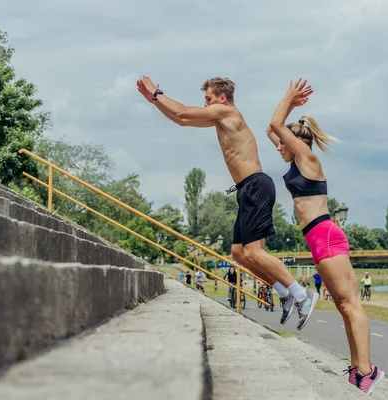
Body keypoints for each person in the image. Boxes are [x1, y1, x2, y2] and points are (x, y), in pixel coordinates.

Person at [136, 76, 317, 330]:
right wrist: (156, 102)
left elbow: (182, 110)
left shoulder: (227, 111)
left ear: (221, 98)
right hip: (247, 190)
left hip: (256, 186)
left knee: (253, 252)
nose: (206, 103)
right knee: (239, 252)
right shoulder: (218, 117)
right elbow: (180, 119)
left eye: (208, 98)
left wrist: (157, 93)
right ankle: (284, 292)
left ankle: (302, 295)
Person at [266, 78, 384, 394]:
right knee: (343, 306)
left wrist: (288, 98)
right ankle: (359, 369)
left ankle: (367, 370)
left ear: (294, 143)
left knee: (350, 303)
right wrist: (290, 109)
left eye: (282, 144)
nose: (278, 148)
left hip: (326, 235)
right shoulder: (295, 161)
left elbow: (276, 125)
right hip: (318, 239)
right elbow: (272, 129)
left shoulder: (307, 158)